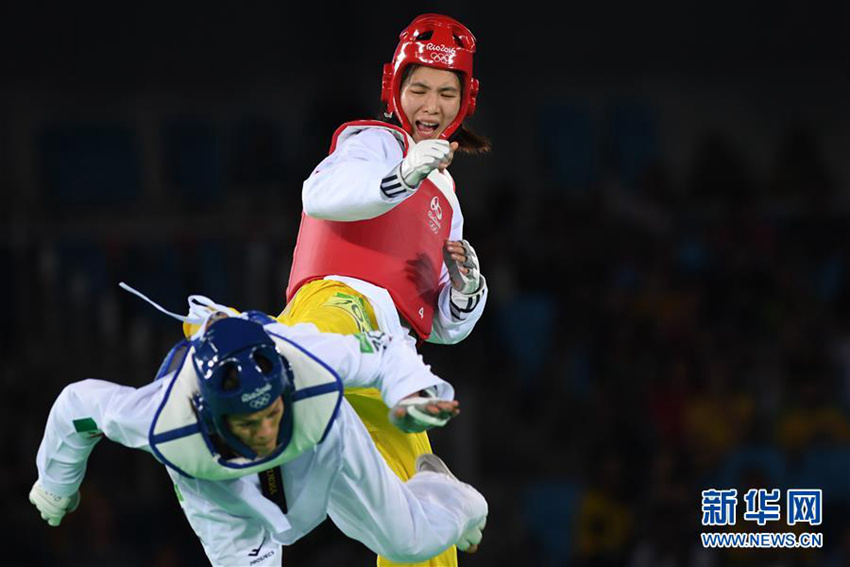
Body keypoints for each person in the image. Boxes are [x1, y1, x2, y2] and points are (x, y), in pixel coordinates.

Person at [29, 300, 488, 567]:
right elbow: (77, 407)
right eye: (249, 423)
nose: (265, 432)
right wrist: (55, 484)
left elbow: (386, 350)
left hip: (318, 440)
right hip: (219, 488)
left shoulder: (306, 362)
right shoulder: (165, 420)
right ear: (210, 413)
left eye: (269, 413)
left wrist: (409, 392)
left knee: (406, 542)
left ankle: (450, 495)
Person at [281, 14, 490, 566]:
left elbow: (445, 325)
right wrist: (402, 174)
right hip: (338, 306)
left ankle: (451, 502)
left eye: (447, 93)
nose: (432, 104)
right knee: (286, 385)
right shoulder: (372, 142)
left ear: (465, 101)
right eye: (419, 87)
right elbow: (321, 194)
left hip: (393, 352)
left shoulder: (448, 196)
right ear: (393, 89)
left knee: (422, 533)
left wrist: (466, 291)